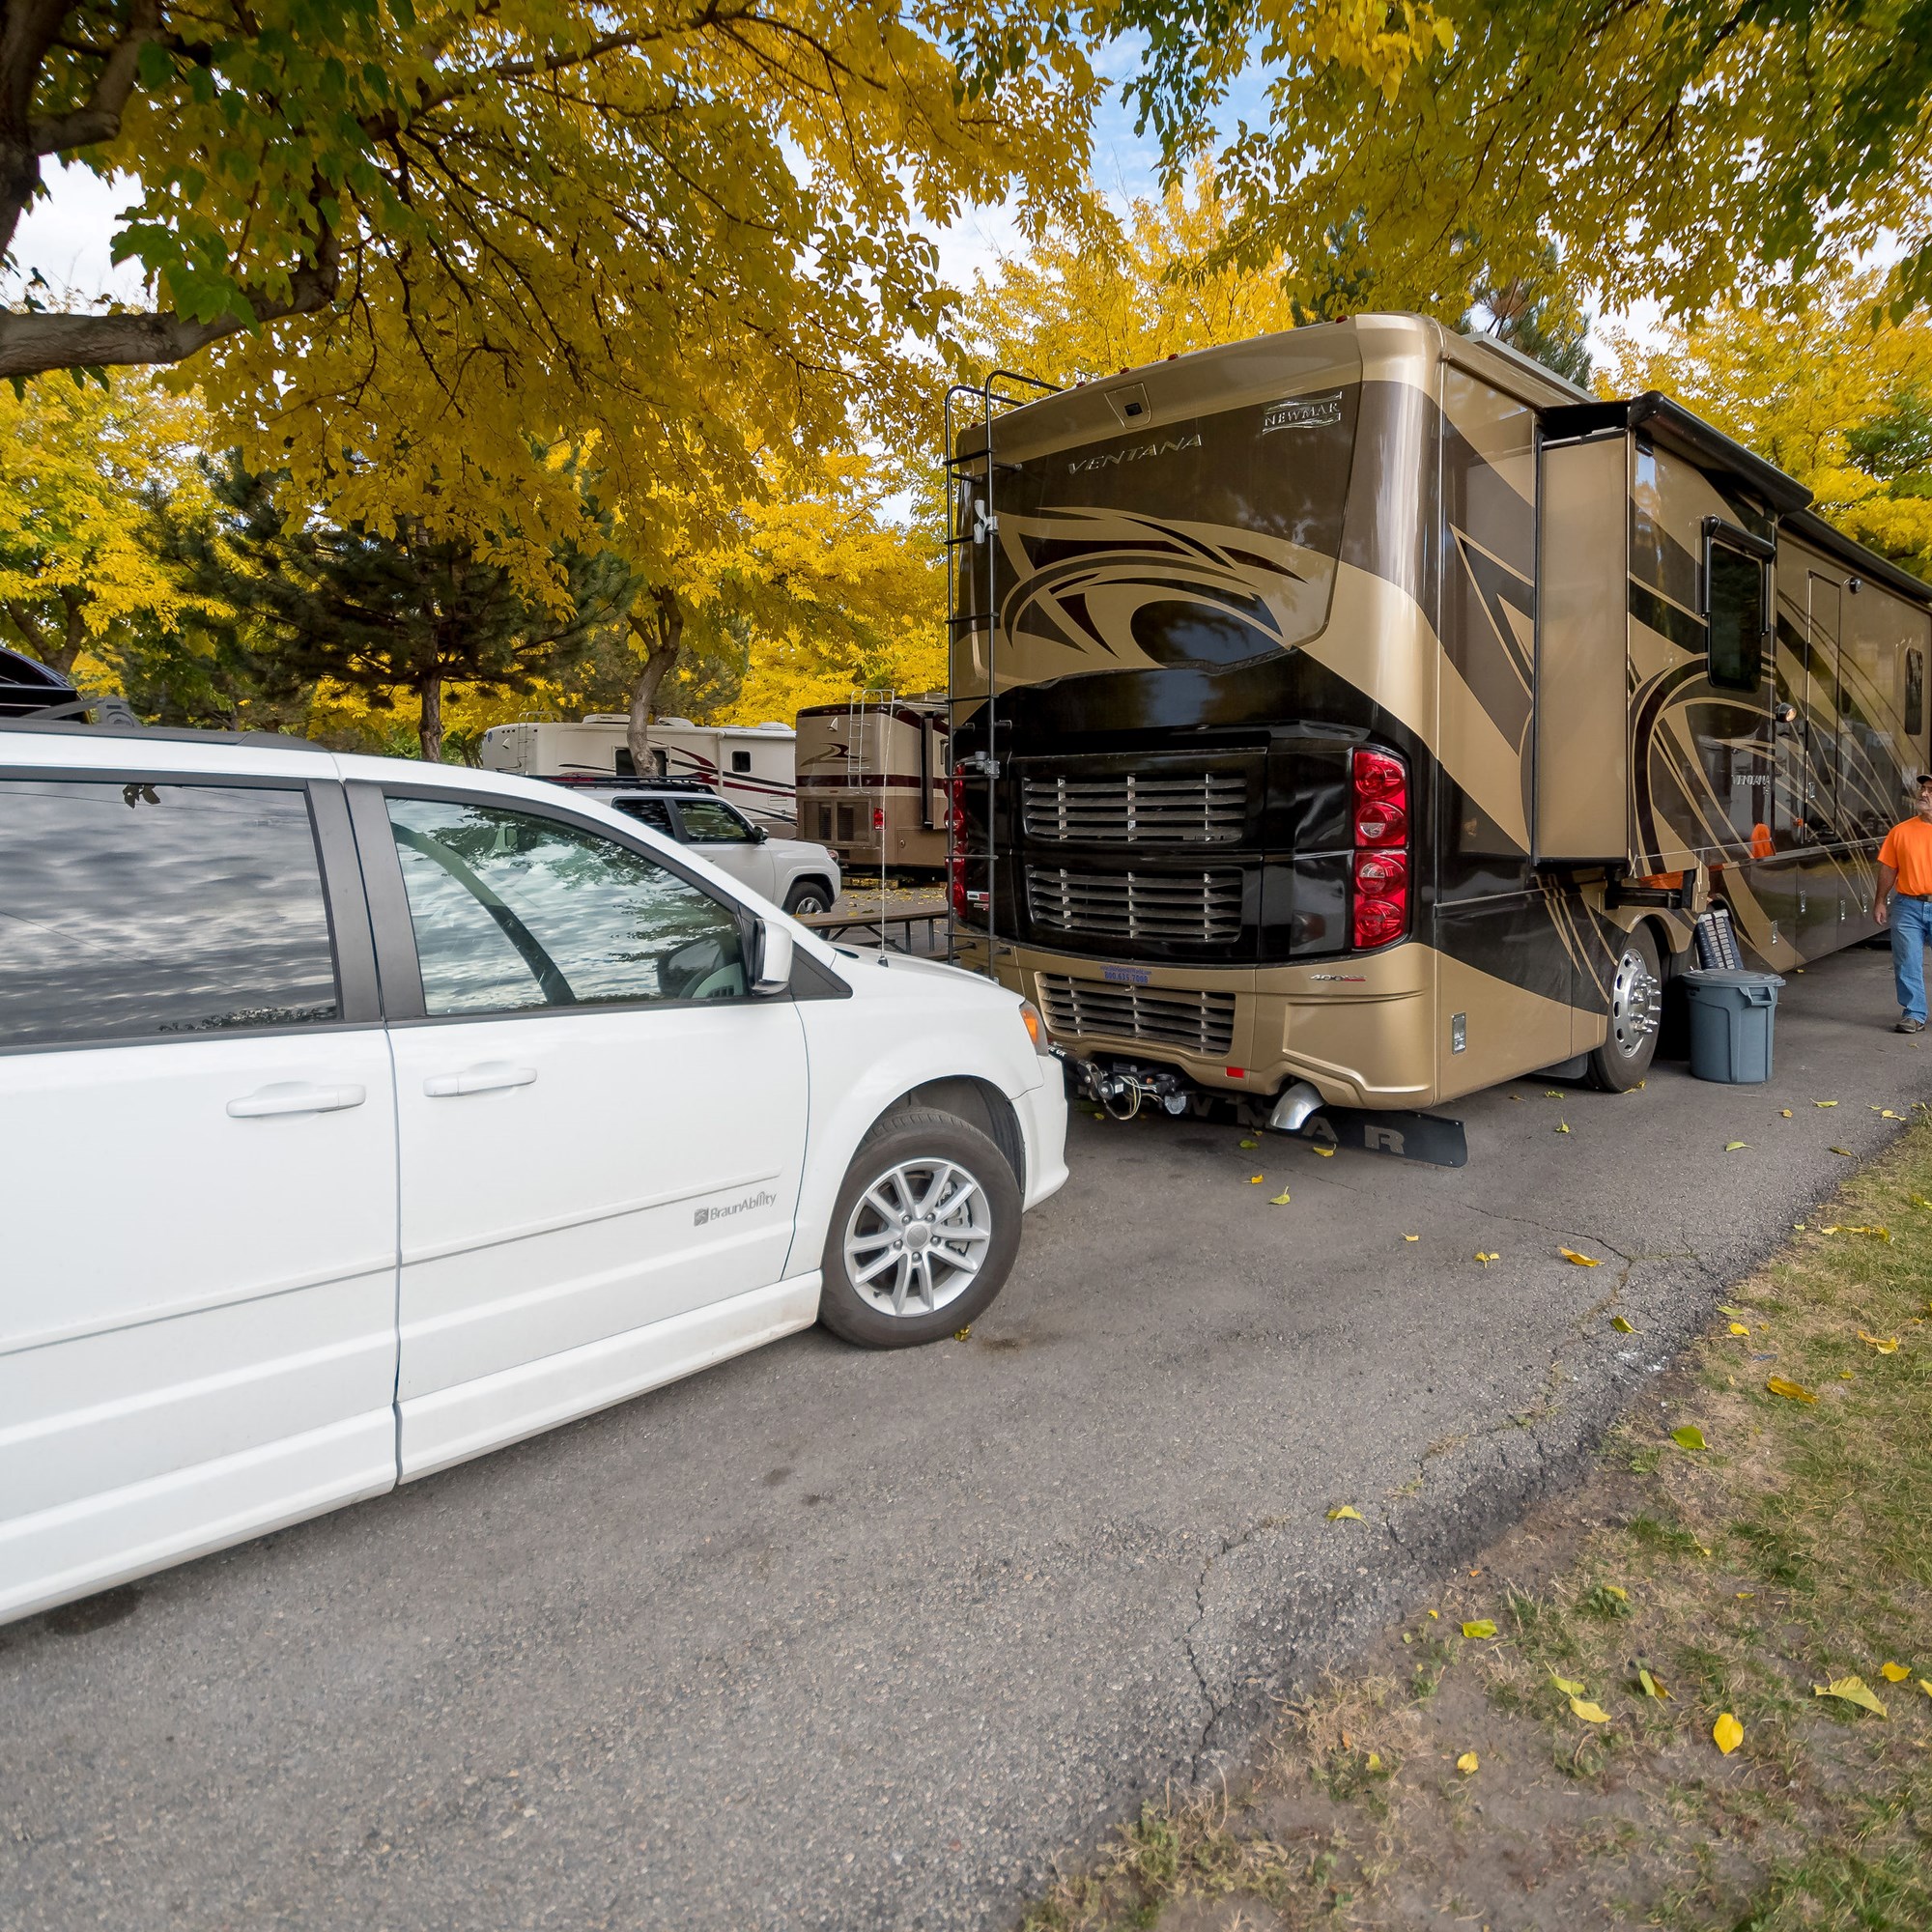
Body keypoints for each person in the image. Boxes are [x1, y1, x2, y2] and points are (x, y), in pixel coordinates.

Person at [1873, 775, 1932, 1032]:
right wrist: (1880, 901)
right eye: (1923, 788)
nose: (1923, 794)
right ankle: (1914, 1013)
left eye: (1930, 790)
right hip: (1907, 905)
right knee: (1907, 960)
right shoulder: (1901, 831)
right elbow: (1888, 869)